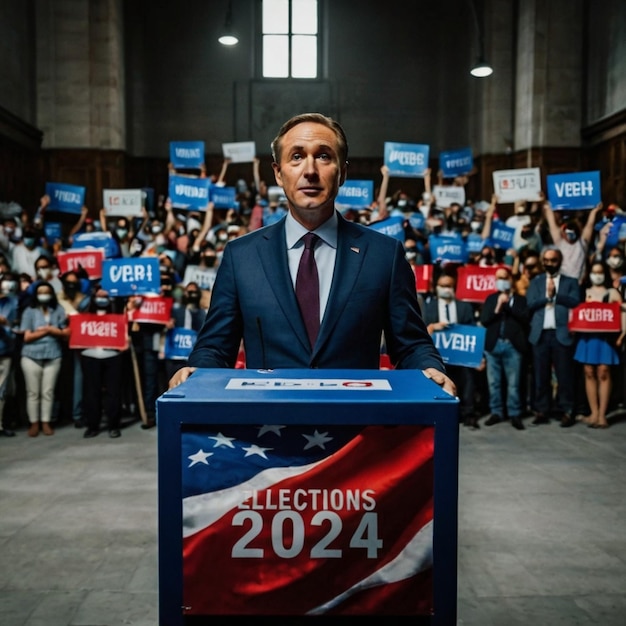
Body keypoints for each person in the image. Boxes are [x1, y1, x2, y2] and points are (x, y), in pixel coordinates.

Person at [169, 112, 454, 396]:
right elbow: (215, 347)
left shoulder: (384, 255)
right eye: (296, 156)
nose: (309, 170)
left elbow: (412, 344)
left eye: (323, 156)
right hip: (267, 429)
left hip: (357, 428)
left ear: (342, 173)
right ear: (278, 173)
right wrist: (196, 371)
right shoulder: (240, 256)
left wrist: (432, 368)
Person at [526, 246, 581, 427]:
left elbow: (575, 302)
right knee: (540, 375)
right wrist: (547, 298)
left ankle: (566, 410)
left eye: (553, 260)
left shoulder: (570, 281)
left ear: (560, 261)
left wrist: (556, 296)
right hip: (540, 334)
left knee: (564, 375)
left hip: (562, 333)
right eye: (546, 260)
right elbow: (530, 303)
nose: (549, 263)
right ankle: (542, 410)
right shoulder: (536, 281)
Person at [573, 261, 625, 429]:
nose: (597, 275)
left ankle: (602, 415)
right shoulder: (583, 293)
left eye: (600, 271)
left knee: (603, 371)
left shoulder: (612, 293)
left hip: (605, 339)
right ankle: (593, 413)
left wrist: (622, 334)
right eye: (594, 272)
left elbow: (621, 313)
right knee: (588, 371)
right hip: (587, 338)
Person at [422, 272, 478, 427]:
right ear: (436, 287)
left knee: (467, 380)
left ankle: (468, 413)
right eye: (443, 286)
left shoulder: (464, 307)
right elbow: (420, 331)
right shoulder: (428, 307)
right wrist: (432, 327)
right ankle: (440, 413)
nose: (446, 289)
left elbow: (472, 331)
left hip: (460, 354)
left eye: (449, 286)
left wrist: (477, 356)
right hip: (437, 354)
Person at [480, 265, 529, 429]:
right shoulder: (491, 298)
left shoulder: (521, 299)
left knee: (513, 383)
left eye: (504, 278)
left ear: (510, 280)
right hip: (493, 345)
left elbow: (524, 318)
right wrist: (498, 306)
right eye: (498, 278)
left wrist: (507, 305)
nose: (501, 281)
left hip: (513, 346)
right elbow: (485, 319)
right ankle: (496, 412)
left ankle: (514, 413)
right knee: (493, 382)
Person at [19, 280, 70, 436]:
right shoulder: (29, 311)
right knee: (33, 392)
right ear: (36, 295)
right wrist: (49, 331)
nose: (43, 295)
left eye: (46, 292)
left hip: (53, 355)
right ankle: (34, 423)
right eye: (40, 292)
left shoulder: (58, 310)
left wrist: (51, 331)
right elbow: (27, 337)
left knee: (48, 391)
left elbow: (66, 333)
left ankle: (46, 422)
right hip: (31, 355)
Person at [81, 286, 128, 439]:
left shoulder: (117, 315)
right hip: (90, 355)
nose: (102, 297)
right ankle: (92, 425)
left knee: (113, 392)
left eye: (104, 295)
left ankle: (113, 425)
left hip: (112, 356)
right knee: (91, 393)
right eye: (98, 294)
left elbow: (125, 332)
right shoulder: (85, 314)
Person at [0, 271, 19, 437]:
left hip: (4, 349)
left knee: (2, 390)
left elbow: (12, 325)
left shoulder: (12, 302)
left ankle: (1, 425)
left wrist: (5, 323)